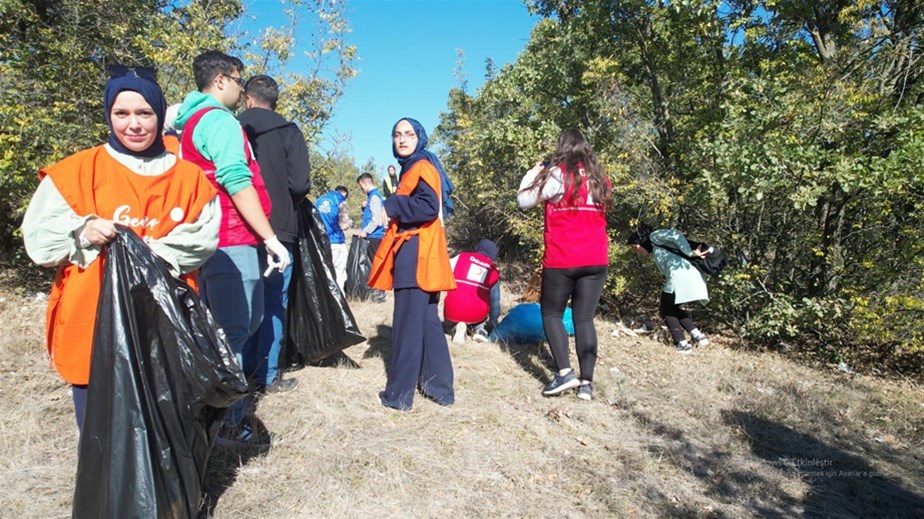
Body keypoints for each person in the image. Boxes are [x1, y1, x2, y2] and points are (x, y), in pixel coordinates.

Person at [21, 66, 220, 433]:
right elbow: (39, 241)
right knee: (99, 419)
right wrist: (80, 229)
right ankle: (106, 486)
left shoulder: (188, 178)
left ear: (159, 115)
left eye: (144, 113)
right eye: (122, 113)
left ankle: (164, 488)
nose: (134, 124)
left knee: (164, 408)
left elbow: (204, 238)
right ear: (108, 115)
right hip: (92, 312)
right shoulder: (78, 171)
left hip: (163, 315)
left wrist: (150, 253)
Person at [174, 50, 289, 446]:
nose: (242, 90)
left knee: (232, 328)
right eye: (240, 81)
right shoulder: (218, 121)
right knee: (233, 333)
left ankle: (220, 416)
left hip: (224, 239)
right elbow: (236, 180)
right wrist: (270, 238)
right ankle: (227, 424)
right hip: (231, 238)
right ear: (221, 79)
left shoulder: (192, 121)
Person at [517, 128, 612, 401]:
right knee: (584, 318)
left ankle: (564, 373)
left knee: (551, 314)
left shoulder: (557, 174)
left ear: (562, 148)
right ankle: (586, 384)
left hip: (563, 258)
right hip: (596, 260)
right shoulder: (599, 179)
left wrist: (534, 173)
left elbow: (524, 200)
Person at [369, 117, 457, 411]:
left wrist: (392, 204)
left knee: (406, 323)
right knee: (428, 321)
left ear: (419, 137)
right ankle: (440, 388)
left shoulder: (420, 166)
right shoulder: (419, 165)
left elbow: (428, 207)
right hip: (424, 252)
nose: (402, 139)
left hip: (415, 253)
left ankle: (399, 395)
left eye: (408, 134)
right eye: (397, 135)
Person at [238, 74, 311, 394]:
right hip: (280, 228)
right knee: (273, 302)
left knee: (237, 303)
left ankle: (236, 374)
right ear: (275, 101)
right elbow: (300, 185)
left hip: (237, 226)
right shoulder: (289, 132)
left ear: (248, 99)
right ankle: (266, 376)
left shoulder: (231, 127)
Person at [627, 229, 710, 353]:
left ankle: (682, 344)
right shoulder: (655, 249)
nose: (637, 251)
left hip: (680, 276)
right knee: (673, 308)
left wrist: (690, 252)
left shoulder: (654, 236)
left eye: (635, 247)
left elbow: (675, 234)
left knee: (665, 310)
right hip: (686, 275)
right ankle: (699, 337)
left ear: (640, 241)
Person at [444, 239, 501, 344]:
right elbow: (495, 304)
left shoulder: (460, 257)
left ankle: (454, 328)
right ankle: (480, 330)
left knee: (448, 323)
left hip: (453, 310)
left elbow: (441, 275)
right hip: (477, 314)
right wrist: (492, 323)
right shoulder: (492, 270)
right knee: (480, 320)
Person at [357, 171, 387, 302]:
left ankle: (380, 293)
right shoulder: (373, 197)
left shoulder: (374, 197)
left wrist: (366, 231)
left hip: (375, 236)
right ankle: (376, 291)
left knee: (375, 264)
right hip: (374, 235)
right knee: (373, 264)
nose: (361, 189)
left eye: (361, 186)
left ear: (365, 183)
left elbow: (376, 220)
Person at [316, 185, 350, 291]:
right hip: (336, 240)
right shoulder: (340, 201)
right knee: (339, 271)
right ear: (344, 194)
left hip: (322, 241)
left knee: (325, 270)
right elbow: (343, 224)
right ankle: (339, 297)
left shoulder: (319, 200)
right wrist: (349, 223)